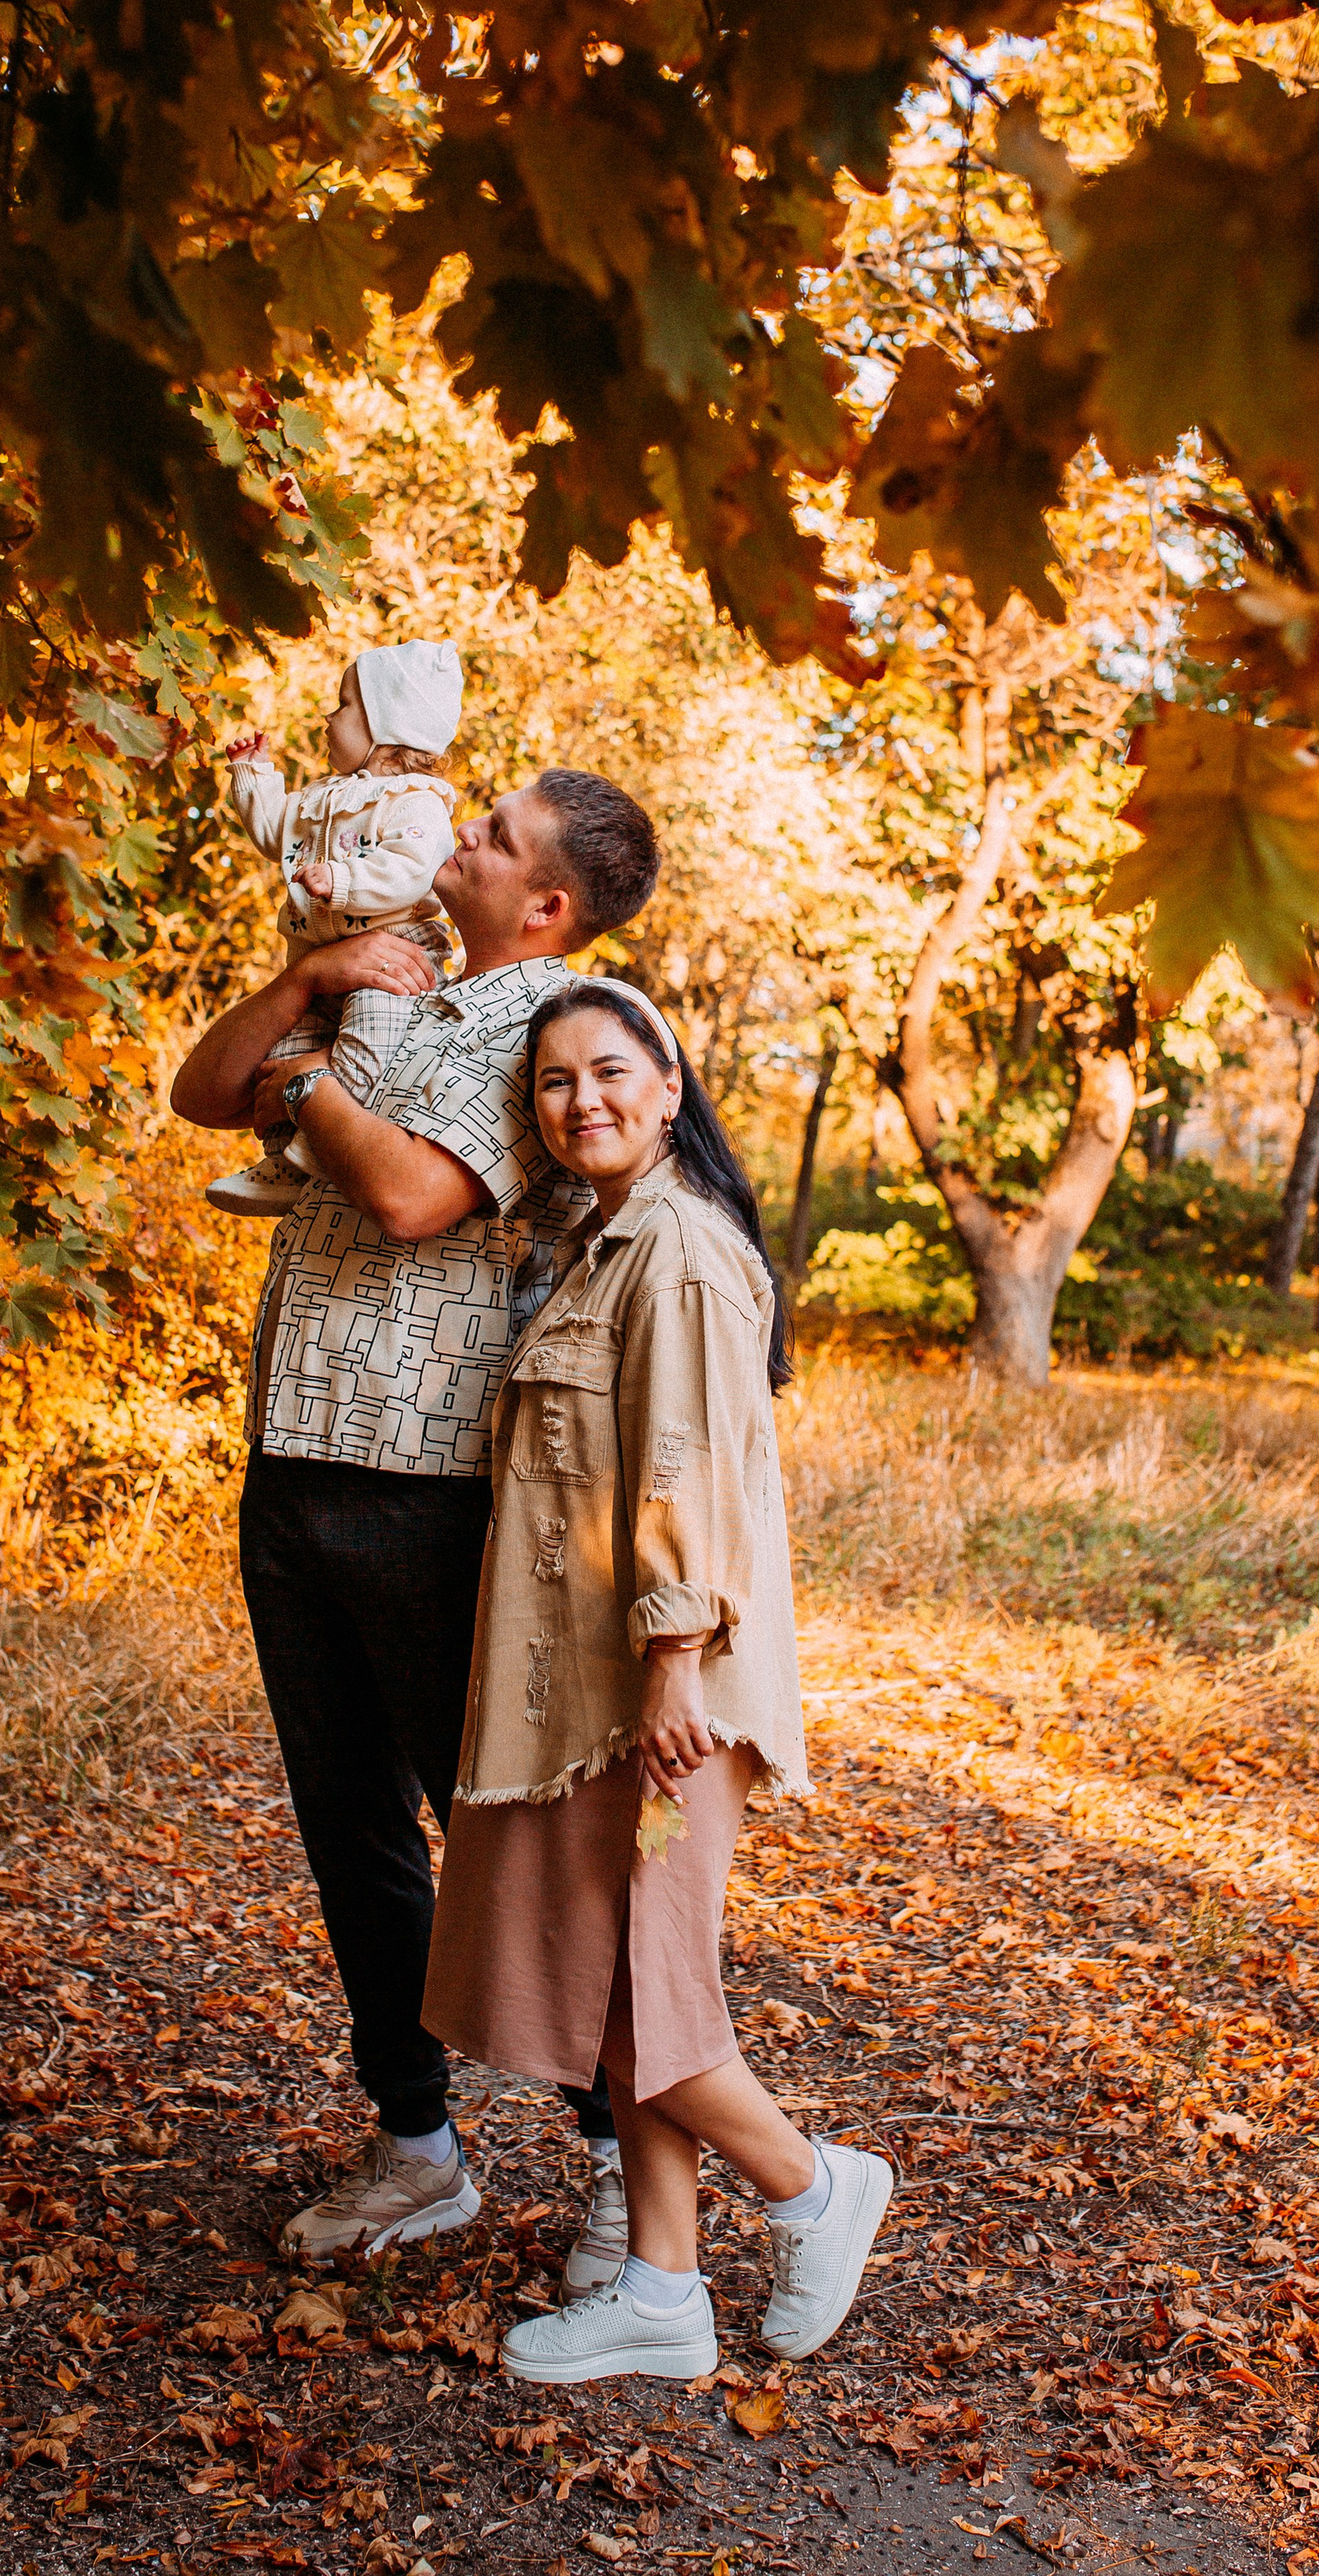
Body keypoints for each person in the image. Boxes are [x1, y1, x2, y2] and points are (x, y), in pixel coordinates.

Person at [169, 769, 662, 2282]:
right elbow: (202, 1093)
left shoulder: (559, 1030)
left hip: (439, 1490)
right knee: (352, 1833)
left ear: (550, 903)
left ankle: (626, 2171)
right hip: (297, 1460)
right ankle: (416, 2148)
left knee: (508, 1842)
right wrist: (308, 985)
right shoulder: (400, 983)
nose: (461, 839)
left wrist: (306, 1087)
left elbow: (407, 1197)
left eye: (494, 837)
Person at [422, 980, 895, 2381]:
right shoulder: (600, 1250)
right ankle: (661, 2291)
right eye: (556, 1083)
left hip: (661, 1692)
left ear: (671, 1086)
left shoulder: (678, 1252)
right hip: (598, 1693)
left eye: (612, 1071)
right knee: (627, 1998)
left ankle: (814, 2188)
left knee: (651, 1995)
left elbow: (683, 1470)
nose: (584, 1102)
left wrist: (676, 1667)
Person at [207, 638, 464, 1218]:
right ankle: (284, 1162)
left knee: (371, 1040)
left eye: (345, 704)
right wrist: (252, 775)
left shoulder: (417, 802)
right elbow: (277, 835)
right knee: (286, 1049)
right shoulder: (325, 797)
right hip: (322, 964)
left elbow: (411, 869)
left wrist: (345, 881)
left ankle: (323, 1139)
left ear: (389, 730)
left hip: (392, 959)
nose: (330, 716)